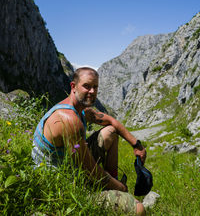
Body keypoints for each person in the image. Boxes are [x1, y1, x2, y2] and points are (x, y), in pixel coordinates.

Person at [32, 67, 146, 215]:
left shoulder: (82, 110)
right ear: (73, 86)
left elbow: (111, 121)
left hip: (73, 165)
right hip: (60, 184)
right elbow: (90, 171)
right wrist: (121, 188)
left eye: (95, 87)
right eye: (87, 86)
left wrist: (137, 145)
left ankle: (112, 184)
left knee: (111, 132)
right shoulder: (68, 119)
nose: (92, 91)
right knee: (139, 210)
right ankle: (115, 188)